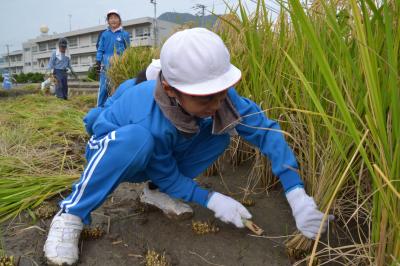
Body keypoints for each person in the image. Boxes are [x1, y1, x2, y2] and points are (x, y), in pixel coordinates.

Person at [43, 28, 333, 265]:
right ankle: (71, 213)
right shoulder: (149, 114)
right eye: (205, 98)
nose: (217, 104)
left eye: (220, 94)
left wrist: (296, 193)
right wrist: (210, 199)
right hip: (114, 150)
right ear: (170, 89)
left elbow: (265, 130)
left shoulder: (218, 97)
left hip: (155, 153)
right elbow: (165, 168)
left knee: (219, 134)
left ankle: (154, 192)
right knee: (138, 141)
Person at [95, 9, 130, 107]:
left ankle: (115, 109)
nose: (113, 20)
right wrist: (98, 61)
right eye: (111, 18)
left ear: (119, 20)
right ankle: (99, 109)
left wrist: (126, 62)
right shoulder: (104, 34)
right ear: (108, 21)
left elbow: (128, 51)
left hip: (119, 66)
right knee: (103, 89)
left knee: (117, 89)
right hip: (106, 66)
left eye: (115, 17)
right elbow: (100, 49)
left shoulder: (124, 34)